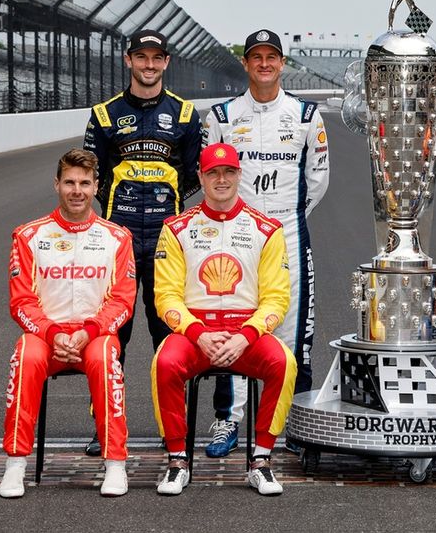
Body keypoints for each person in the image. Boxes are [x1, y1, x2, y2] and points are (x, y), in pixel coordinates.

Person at [203, 28, 329, 457]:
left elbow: (317, 180)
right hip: (234, 237)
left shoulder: (307, 116)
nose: (263, 64)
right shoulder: (221, 117)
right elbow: (212, 178)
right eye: (255, 56)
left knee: (293, 332)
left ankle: (294, 421)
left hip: (288, 234)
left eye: (271, 56)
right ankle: (228, 420)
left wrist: (282, 221)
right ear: (246, 63)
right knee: (228, 325)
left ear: (281, 63)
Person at [151, 143, 297, 496]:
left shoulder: (267, 229)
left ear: (238, 175)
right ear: (200, 177)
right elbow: (166, 295)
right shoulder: (176, 227)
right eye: (213, 172)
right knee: (164, 363)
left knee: (283, 362)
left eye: (228, 172)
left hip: (245, 332)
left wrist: (246, 336)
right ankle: (176, 460)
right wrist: (198, 333)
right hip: (194, 331)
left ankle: (261, 460)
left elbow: (276, 298)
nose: (221, 179)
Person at [82, 29, 202, 455]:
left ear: (166, 62)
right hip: (118, 243)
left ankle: (175, 431)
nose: (148, 65)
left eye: (156, 58)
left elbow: (193, 177)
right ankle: (106, 426)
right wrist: (126, 212)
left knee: (167, 337)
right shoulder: (104, 114)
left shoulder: (185, 115)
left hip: (169, 244)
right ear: (128, 60)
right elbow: (94, 179)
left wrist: (161, 209)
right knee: (113, 337)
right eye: (141, 57)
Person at [0, 149, 136, 499]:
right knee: (25, 354)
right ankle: (16, 463)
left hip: (95, 336)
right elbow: (21, 302)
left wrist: (88, 331)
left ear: (96, 187)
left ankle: (116, 463)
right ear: (57, 185)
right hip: (46, 336)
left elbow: (122, 301)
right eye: (70, 182)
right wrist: (54, 333)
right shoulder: (28, 236)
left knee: (106, 357)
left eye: (85, 183)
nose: (77, 190)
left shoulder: (117, 238)